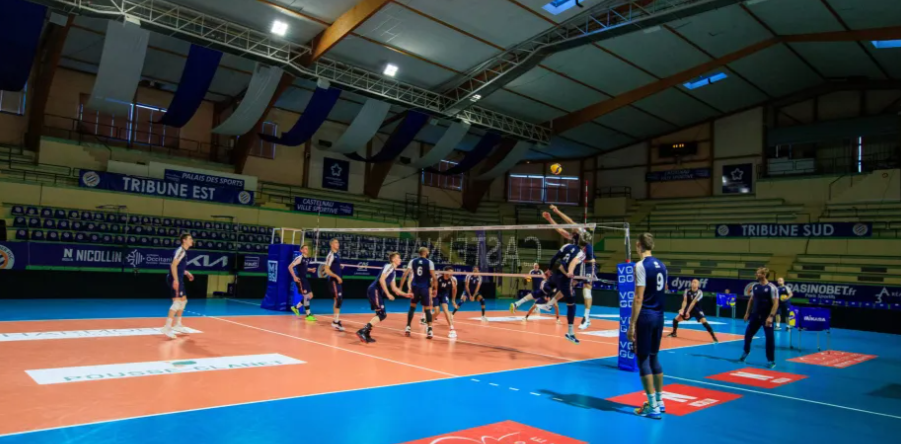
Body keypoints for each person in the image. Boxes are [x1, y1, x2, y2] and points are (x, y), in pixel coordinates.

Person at [627, 233, 667, 419]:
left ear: (639, 245)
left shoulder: (640, 266)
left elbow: (638, 297)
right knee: (654, 357)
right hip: (660, 316)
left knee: (643, 359)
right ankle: (659, 401)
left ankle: (652, 406)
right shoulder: (663, 266)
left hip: (646, 316)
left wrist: (632, 324)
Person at [356, 252, 411, 343]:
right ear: (393, 259)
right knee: (382, 314)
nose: (400, 259)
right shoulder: (389, 266)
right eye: (398, 257)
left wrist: (406, 294)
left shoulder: (393, 272)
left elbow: (394, 288)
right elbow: (382, 279)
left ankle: (366, 333)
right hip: (375, 290)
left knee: (380, 314)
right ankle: (363, 331)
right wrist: (388, 294)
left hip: (376, 292)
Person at [547, 234, 585, 344]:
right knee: (572, 304)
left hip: (556, 275)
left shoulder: (567, 245)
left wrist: (549, 269)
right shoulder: (581, 253)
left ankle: (548, 304)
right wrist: (571, 271)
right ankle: (570, 333)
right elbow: (573, 262)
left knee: (545, 288)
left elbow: (554, 258)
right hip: (565, 279)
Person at [741, 267, 779, 368]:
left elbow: (776, 303)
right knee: (748, 334)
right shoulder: (755, 286)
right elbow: (751, 300)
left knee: (769, 338)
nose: (756, 275)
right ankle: (746, 351)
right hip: (755, 316)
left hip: (767, 317)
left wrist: (771, 317)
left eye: (758, 273)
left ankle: (771, 360)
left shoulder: (772, 288)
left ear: (763, 275)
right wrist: (747, 313)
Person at [162, 234, 195, 339]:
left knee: (184, 301)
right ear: (184, 240)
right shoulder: (181, 251)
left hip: (179, 278)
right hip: (175, 279)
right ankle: (167, 327)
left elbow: (179, 267)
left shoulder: (183, 252)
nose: (192, 240)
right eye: (190, 239)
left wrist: (186, 272)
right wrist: (176, 280)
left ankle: (178, 324)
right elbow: (173, 265)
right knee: (177, 303)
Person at [401, 247, 437, 339]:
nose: (428, 252)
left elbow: (405, 274)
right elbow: (434, 277)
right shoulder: (430, 262)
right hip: (425, 287)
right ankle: (429, 330)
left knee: (412, 307)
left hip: (415, 287)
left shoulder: (412, 261)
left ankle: (408, 327)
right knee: (427, 309)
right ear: (425, 252)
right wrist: (435, 289)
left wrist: (400, 287)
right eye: (428, 251)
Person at [668, 279, 718, 343]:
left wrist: (687, 312)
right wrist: (682, 309)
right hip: (688, 308)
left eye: (695, 282)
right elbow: (685, 301)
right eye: (692, 282)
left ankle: (713, 337)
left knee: (704, 321)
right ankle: (674, 333)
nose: (693, 283)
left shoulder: (699, 292)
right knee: (675, 319)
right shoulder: (687, 291)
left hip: (697, 309)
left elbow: (693, 302)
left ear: (698, 285)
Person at [288, 245, 316, 321]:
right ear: (301, 250)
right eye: (305, 249)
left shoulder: (306, 259)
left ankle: (295, 307)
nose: (307, 250)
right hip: (300, 279)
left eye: (307, 248)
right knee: (306, 296)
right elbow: (290, 267)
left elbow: (304, 269)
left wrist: (311, 270)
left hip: (305, 279)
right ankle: (308, 315)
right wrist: (294, 277)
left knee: (310, 295)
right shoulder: (299, 258)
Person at [323, 238, 345, 331]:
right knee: (338, 299)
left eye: (338, 242)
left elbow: (333, 266)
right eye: (336, 242)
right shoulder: (330, 255)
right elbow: (326, 269)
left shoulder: (336, 255)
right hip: (333, 281)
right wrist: (336, 277)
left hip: (336, 281)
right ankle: (335, 322)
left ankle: (336, 321)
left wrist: (339, 266)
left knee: (338, 300)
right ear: (331, 244)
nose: (338, 244)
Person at [435, 266, 458, 338]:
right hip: (436, 294)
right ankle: (428, 324)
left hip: (445, 294)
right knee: (437, 311)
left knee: (445, 309)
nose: (451, 273)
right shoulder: (438, 277)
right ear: (445, 272)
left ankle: (451, 329)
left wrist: (453, 300)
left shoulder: (453, 280)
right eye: (450, 271)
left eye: (452, 272)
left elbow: (454, 290)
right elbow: (432, 286)